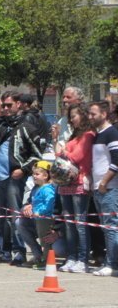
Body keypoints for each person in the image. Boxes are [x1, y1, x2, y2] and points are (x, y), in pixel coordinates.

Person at [0, 91, 42, 266]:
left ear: (18, 105)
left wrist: (23, 170)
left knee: (15, 215)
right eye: (4, 105)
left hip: (13, 178)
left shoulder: (26, 127)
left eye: (9, 105)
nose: (6, 109)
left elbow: (37, 155)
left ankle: (19, 251)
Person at [55, 103, 94, 274]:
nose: (71, 119)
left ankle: (83, 259)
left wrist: (63, 150)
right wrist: (58, 142)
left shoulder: (88, 135)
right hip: (65, 184)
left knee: (80, 223)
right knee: (69, 224)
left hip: (79, 183)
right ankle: (71, 257)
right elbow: (58, 155)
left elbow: (76, 156)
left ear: (84, 116)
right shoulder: (73, 135)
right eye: (70, 116)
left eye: (74, 116)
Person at [87, 100, 118, 277]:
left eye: (93, 114)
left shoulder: (112, 133)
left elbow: (116, 161)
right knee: (106, 227)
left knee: (111, 227)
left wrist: (105, 182)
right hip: (99, 189)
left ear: (104, 114)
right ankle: (110, 261)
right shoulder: (97, 135)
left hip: (110, 189)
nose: (90, 117)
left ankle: (112, 264)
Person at [15, 161, 58, 269]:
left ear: (45, 176)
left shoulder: (48, 189)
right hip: (37, 218)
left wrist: (40, 212)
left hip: (45, 219)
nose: (34, 176)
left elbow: (49, 202)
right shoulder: (35, 188)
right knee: (43, 239)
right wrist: (28, 207)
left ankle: (47, 261)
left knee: (45, 240)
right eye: (33, 174)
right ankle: (39, 256)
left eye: (37, 174)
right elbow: (31, 202)